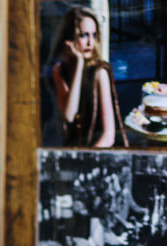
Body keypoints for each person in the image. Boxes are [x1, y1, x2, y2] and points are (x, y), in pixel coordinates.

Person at [48, 8, 124, 148]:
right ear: (70, 38)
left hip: (98, 149)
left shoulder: (100, 72)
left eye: (94, 35)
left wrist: (87, 158)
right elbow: (69, 115)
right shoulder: (59, 70)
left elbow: (109, 135)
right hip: (72, 147)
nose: (90, 42)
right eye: (83, 35)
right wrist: (79, 64)